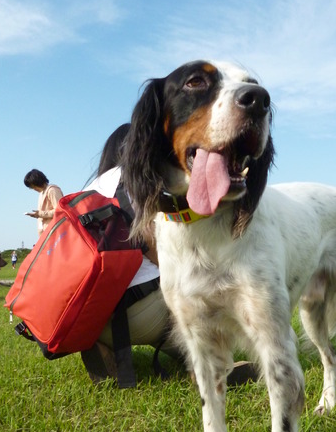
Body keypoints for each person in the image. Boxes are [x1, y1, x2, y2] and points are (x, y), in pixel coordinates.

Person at [81, 124, 257, 386]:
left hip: (88, 317)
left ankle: (105, 347)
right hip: (135, 314)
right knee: (192, 291)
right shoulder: (142, 181)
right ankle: (209, 365)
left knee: (171, 299)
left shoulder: (90, 190)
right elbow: (155, 248)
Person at [24, 169, 63, 235]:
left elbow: (60, 211)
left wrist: (40, 214)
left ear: (38, 182)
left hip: (55, 232)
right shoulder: (41, 194)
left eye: (34, 186)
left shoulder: (52, 190)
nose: (34, 189)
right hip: (46, 234)